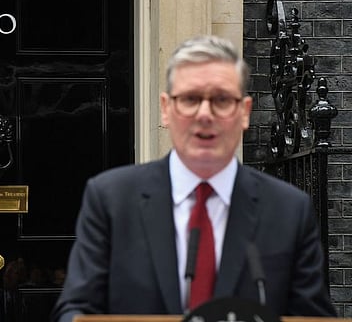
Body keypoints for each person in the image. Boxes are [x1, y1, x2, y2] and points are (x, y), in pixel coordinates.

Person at [51, 35, 336, 322]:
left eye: (222, 100)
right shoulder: (110, 199)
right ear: (166, 108)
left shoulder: (289, 211)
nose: (204, 114)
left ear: (244, 112)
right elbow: (75, 310)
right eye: (190, 99)